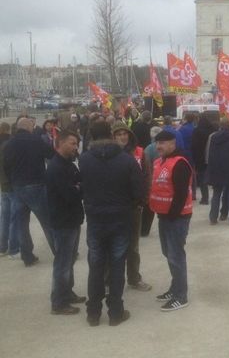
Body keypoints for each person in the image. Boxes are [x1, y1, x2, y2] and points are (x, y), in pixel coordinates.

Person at [79, 121, 144, 326]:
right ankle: (116, 312)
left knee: (96, 266)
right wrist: (127, 205)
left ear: (91, 136)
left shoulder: (84, 159)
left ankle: (93, 313)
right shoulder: (127, 160)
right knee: (117, 266)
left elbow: (82, 187)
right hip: (120, 219)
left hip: (96, 219)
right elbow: (138, 192)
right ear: (111, 135)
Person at [149, 131, 193, 311]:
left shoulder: (180, 163)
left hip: (176, 218)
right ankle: (175, 288)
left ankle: (181, 295)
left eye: (163, 143)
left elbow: (181, 194)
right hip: (164, 217)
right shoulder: (159, 161)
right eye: (157, 142)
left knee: (176, 256)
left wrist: (172, 215)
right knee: (168, 253)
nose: (159, 146)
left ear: (172, 144)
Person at [3, 117, 55, 266]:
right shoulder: (36, 140)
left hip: (17, 187)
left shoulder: (10, 144)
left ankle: (27, 256)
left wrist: (12, 182)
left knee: (22, 223)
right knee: (47, 221)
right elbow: (51, 155)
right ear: (28, 127)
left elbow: (6, 165)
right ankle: (59, 251)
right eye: (32, 125)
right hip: (36, 184)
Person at [46, 131, 87, 315]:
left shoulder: (68, 164)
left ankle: (67, 292)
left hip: (72, 219)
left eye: (76, 144)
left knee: (69, 260)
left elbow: (80, 182)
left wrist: (78, 186)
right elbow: (70, 194)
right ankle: (59, 302)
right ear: (60, 143)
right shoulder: (56, 167)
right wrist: (78, 188)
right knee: (62, 263)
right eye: (72, 143)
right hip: (63, 221)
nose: (75, 147)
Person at [112, 122, 152, 292]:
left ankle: (134, 278)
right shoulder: (108, 154)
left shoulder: (139, 152)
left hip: (134, 206)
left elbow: (147, 176)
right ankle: (109, 280)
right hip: (114, 206)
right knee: (112, 245)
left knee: (133, 246)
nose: (122, 136)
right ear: (113, 137)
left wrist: (143, 200)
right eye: (118, 134)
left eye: (125, 133)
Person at [141, 126, 163, 236]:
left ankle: (144, 229)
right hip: (162, 179)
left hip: (151, 179)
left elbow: (145, 165)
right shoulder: (165, 147)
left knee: (149, 206)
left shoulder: (148, 148)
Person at [0, 122, 18, 258]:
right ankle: (13, 249)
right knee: (14, 217)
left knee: (4, 217)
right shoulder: (10, 144)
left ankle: (2, 247)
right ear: (8, 130)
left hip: (3, 185)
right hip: (12, 184)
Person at [191, 113, 217, 205]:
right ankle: (216, 197)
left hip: (200, 158)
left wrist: (194, 158)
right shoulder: (213, 130)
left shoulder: (197, 131)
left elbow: (194, 146)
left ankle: (205, 198)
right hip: (212, 157)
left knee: (202, 179)